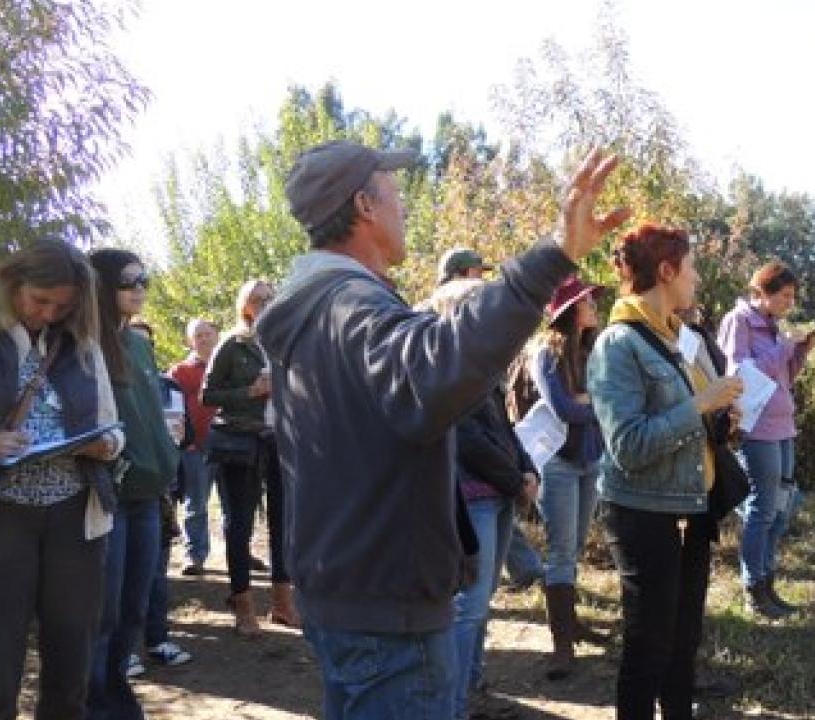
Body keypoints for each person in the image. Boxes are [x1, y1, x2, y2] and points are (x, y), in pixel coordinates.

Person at [255, 140, 626, 719]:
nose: (405, 209)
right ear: (365, 206)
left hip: (349, 597)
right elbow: (434, 370)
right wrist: (555, 254)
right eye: (396, 194)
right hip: (388, 615)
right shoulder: (350, 305)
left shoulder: (316, 312)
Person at [588, 223, 744, 720]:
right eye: (691, 266)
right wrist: (701, 404)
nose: (697, 276)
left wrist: (723, 420)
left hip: (693, 508)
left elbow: (692, 421)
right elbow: (628, 445)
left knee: (684, 643)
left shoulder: (682, 339)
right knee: (648, 645)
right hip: (644, 512)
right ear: (667, 270)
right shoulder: (618, 344)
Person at [0, 240, 124, 720]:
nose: (48, 313)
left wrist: (105, 445)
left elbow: (113, 428)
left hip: (75, 516)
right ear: (12, 284)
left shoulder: (81, 346)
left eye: (62, 306)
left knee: (70, 668)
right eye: (39, 301)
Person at [426, 278, 542, 720]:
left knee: (483, 598)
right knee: (469, 605)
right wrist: (516, 480)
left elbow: (504, 430)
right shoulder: (449, 367)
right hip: (473, 495)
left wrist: (526, 467)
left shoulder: (483, 364)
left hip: (497, 493)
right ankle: (451, 706)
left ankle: (472, 684)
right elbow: (468, 440)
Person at [86, 248, 180, 720]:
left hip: (149, 497)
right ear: (101, 287)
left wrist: (167, 443)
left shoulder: (140, 344)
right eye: (129, 281)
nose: (141, 288)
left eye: (145, 278)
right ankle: (96, 705)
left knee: (133, 612)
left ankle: (116, 699)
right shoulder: (83, 346)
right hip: (107, 499)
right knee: (101, 616)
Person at [717, 261, 815, 619]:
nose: (790, 303)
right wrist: (783, 350)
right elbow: (738, 375)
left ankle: (768, 582)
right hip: (756, 426)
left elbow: (782, 377)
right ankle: (753, 589)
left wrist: (799, 352)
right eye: (785, 296)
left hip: (783, 423)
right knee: (761, 509)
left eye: (792, 296)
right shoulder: (739, 321)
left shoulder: (775, 326)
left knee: (781, 508)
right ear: (762, 293)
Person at [201, 279, 297, 635]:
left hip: (279, 441)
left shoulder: (284, 343)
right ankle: (243, 608)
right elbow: (207, 396)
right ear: (246, 307)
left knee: (283, 524)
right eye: (259, 299)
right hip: (239, 443)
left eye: (271, 298)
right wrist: (250, 391)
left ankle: (283, 605)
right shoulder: (231, 343)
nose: (266, 303)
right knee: (239, 526)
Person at [529, 273, 607, 680]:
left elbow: (605, 401)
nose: (594, 305)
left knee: (574, 546)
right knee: (561, 549)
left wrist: (589, 400)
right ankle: (561, 644)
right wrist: (594, 403)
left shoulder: (593, 350)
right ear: (569, 311)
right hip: (558, 462)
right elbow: (564, 409)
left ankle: (570, 621)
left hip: (589, 459)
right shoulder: (546, 353)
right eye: (587, 301)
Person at [121, 322, 194, 678]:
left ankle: (156, 638)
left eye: (147, 344)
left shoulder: (168, 387)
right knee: (125, 575)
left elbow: (187, 433)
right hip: (130, 488)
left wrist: (177, 436)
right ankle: (125, 650)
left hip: (162, 489)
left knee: (156, 571)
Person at [167, 318, 219, 576]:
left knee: (239, 504)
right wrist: (183, 442)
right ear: (190, 341)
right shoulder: (180, 371)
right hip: (195, 446)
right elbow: (172, 411)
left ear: (217, 336)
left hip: (232, 444)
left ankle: (242, 552)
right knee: (195, 502)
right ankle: (194, 555)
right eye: (198, 335)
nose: (204, 339)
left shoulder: (228, 366)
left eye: (208, 333)